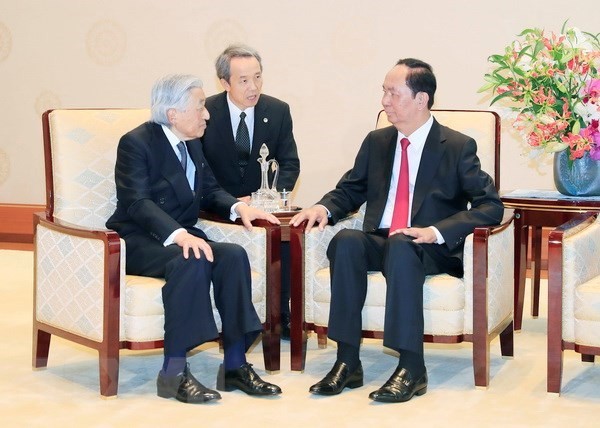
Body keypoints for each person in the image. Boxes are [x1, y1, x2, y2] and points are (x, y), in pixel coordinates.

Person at [290, 58, 504, 403]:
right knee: (346, 241)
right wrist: (324, 207)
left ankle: (412, 366)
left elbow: (491, 206)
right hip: (383, 238)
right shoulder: (377, 142)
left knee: (404, 245)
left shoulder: (458, 146)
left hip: (428, 247)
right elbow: (351, 190)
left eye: (393, 92)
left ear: (421, 99)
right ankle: (347, 362)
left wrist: (436, 230)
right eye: (384, 92)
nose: (385, 101)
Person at [106, 74, 283, 404]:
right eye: (200, 106)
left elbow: (210, 191)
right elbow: (137, 202)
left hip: (182, 236)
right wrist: (179, 235)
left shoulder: (192, 143)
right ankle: (172, 373)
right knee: (192, 257)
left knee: (232, 255)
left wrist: (238, 208)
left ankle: (234, 365)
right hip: (140, 238)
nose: (207, 114)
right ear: (173, 114)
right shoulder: (137, 143)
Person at [202, 44, 300, 339]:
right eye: (244, 80)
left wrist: (264, 198)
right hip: (217, 208)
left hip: (263, 205)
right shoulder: (205, 112)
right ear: (224, 83)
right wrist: (232, 202)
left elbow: (290, 164)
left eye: (258, 77)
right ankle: (236, 322)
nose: (253, 87)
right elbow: (200, 171)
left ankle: (281, 314)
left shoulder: (278, 110)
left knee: (287, 237)